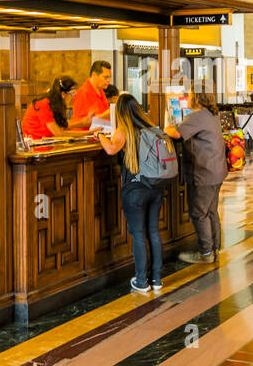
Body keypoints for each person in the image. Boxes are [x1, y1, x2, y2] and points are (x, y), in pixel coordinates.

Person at [97, 93, 168, 294]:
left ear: (119, 112)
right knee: (153, 231)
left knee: (138, 233)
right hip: (155, 187)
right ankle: (156, 279)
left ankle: (141, 280)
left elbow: (110, 150)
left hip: (135, 190)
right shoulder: (152, 128)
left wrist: (99, 135)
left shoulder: (123, 130)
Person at [165, 90, 227, 265]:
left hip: (204, 171)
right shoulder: (211, 114)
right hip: (216, 169)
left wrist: (167, 127)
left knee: (199, 212)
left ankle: (205, 252)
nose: (188, 97)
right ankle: (215, 249)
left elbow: (176, 134)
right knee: (211, 210)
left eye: (191, 95)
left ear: (198, 98)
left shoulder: (198, 115)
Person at [21, 75, 92, 139]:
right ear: (63, 94)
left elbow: (62, 126)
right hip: (33, 141)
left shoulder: (57, 104)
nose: (73, 98)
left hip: (45, 140)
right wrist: (89, 132)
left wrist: (84, 122)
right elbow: (59, 133)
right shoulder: (44, 104)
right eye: (72, 94)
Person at [69, 60, 112, 129]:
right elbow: (78, 123)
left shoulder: (100, 90)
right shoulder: (83, 93)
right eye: (105, 77)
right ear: (94, 75)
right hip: (86, 137)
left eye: (110, 77)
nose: (109, 80)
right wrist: (103, 116)